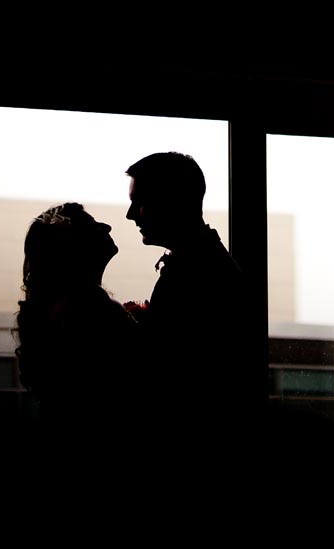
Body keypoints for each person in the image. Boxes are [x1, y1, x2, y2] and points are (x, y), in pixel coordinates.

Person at [125, 151, 261, 438]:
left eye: (140, 202)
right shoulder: (205, 264)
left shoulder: (200, 272)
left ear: (171, 201)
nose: (130, 214)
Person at [14, 202, 145, 442]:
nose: (106, 226)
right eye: (93, 225)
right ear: (75, 247)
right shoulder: (88, 309)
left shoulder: (72, 306)